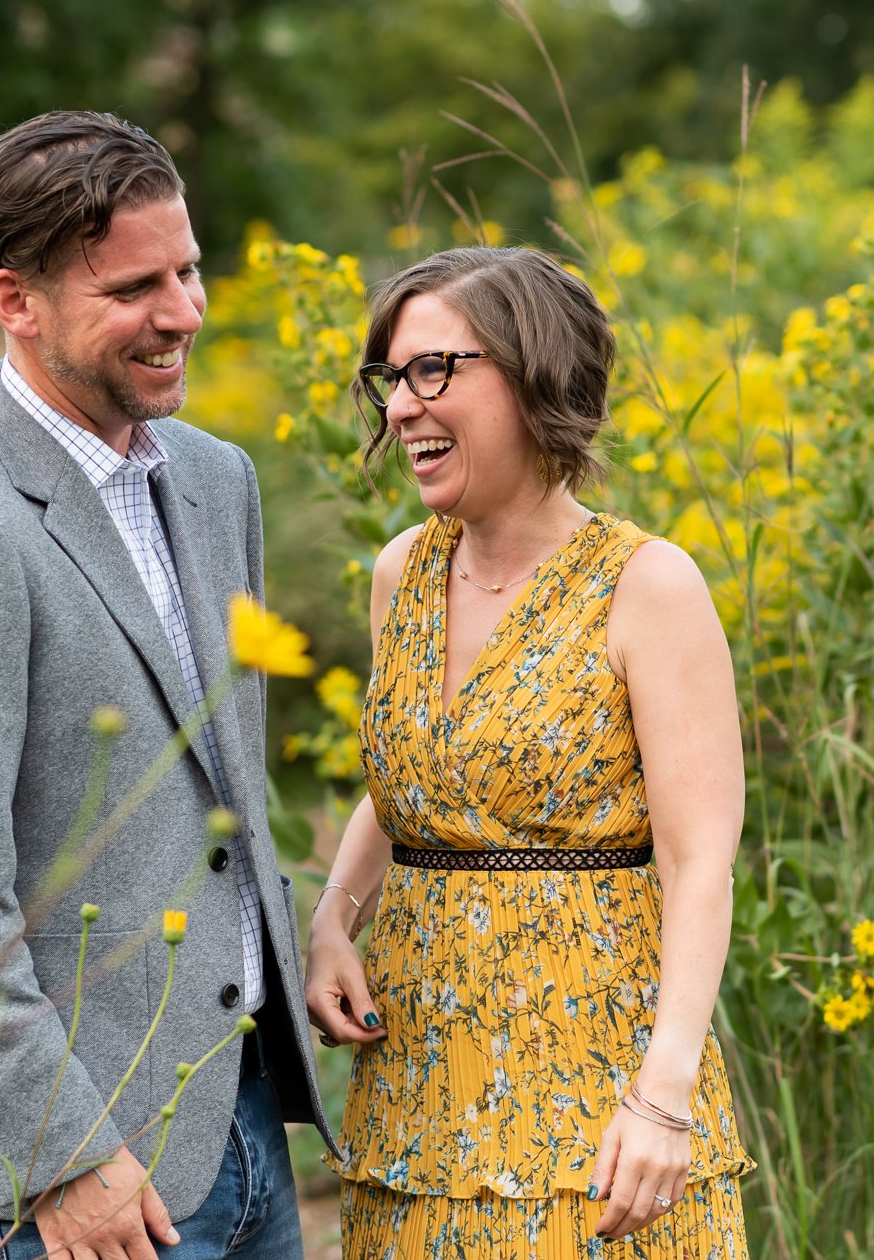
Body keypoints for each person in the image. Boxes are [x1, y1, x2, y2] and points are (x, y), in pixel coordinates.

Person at [0, 110, 328, 1260]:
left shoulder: (218, 479)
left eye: (189, 268)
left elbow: (217, 798)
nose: (183, 312)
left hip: (244, 1121)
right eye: (133, 288)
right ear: (14, 299)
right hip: (71, 1186)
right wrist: (67, 1152)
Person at [305, 246, 754, 1256]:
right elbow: (417, 773)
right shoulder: (400, 573)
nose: (400, 407)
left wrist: (664, 1093)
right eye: (389, 379)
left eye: (433, 370)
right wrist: (334, 916)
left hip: (596, 1103)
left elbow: (697, 859)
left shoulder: (647, 583)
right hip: (418, 1095)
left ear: (533, 370)